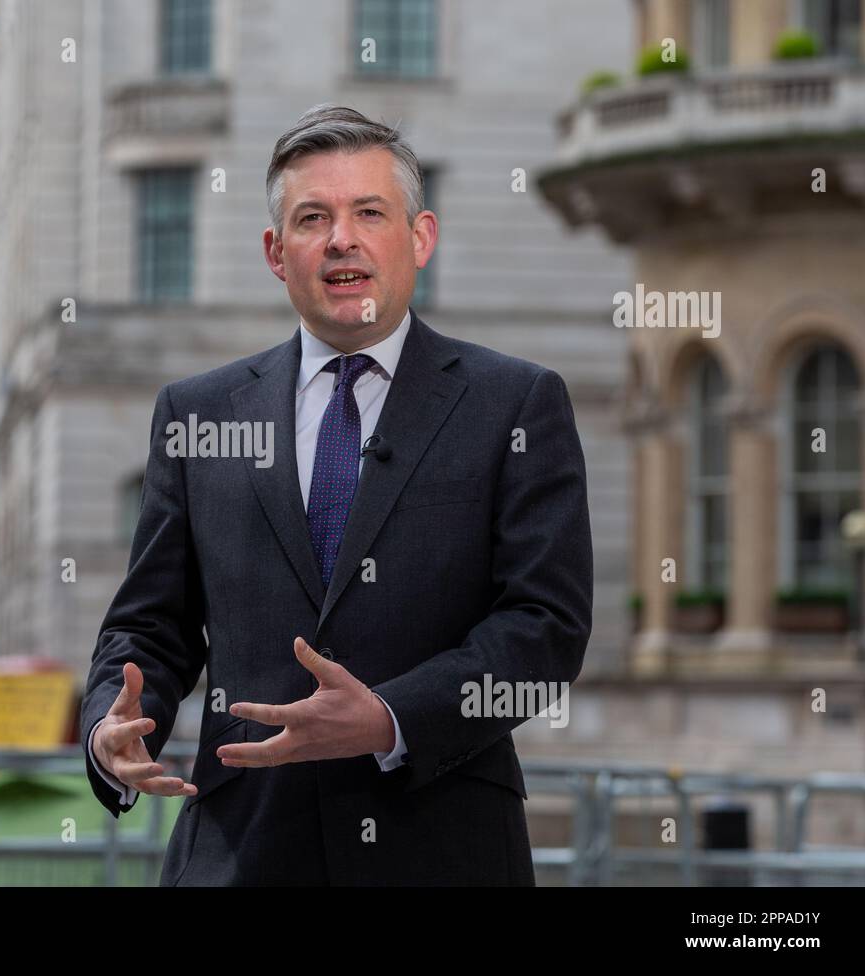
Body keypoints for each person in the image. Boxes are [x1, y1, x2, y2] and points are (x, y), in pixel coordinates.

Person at [82, 105, 592, 885]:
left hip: (444, 851)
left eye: (368, 213)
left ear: (420, 238)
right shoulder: (198, 414)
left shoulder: (514, 404)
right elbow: (150, 622)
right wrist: (107, 727)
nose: (340, 238)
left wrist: (391, 718)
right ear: (275, 252)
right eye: (312, 218)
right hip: (239, 852)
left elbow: (546, 629)